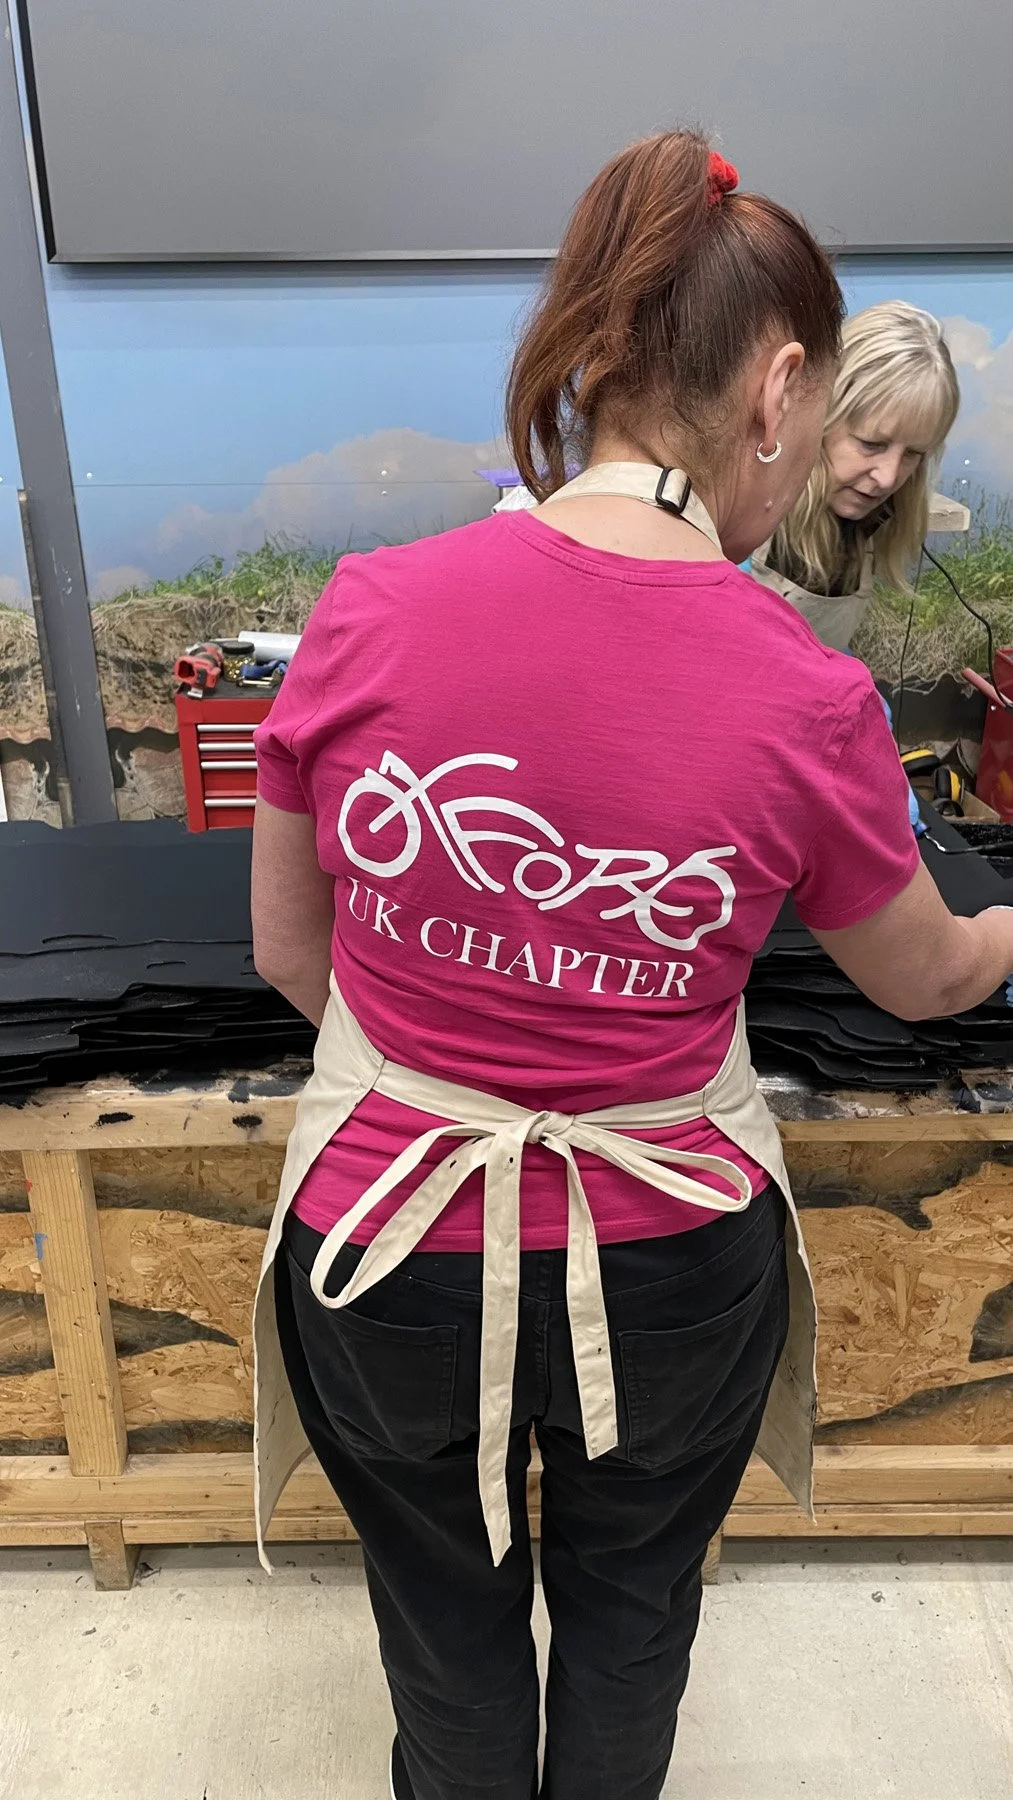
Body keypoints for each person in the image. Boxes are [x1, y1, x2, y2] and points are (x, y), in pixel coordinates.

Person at [251, 135, 1013, 1800]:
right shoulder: (803, 694)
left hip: (386, 1247)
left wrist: (464, 1058)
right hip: (669, 1257)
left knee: (440, 1637)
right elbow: (933, 980)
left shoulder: (368, 606)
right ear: (779, 386)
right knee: (629, 1628)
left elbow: (289, 951)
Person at [750, 299, 960, 649]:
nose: (888, 478)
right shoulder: (752, 523)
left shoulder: (866, 519)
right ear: (822, 417)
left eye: (913, 454)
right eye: (871, 444)